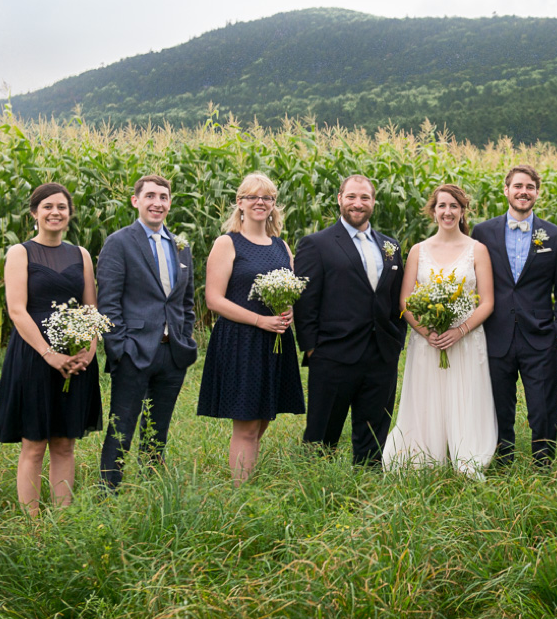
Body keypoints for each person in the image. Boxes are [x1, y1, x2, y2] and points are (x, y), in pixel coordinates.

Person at [0, 183, 102, 515]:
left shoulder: (80, 254)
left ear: (69, 214)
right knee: (34, 443)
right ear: (34, 213)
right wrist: (49, 354)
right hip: (33, 356)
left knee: (65, 442)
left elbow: (90, 309)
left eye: (62, 207)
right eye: (48, 206)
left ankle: (63, 518)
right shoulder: (20, 253)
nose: (55, 212)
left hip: (76, 357)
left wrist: (89, 350)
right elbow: (17, 310)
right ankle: (32, 522)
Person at [197, 173, 305, 486]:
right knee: (245, 425)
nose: (261, 202)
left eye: (267, 197)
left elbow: (291, 290)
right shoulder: (227, 243)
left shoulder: (281, 246)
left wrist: (288, 312)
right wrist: (260, 320)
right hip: (242, 340)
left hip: (277, 340)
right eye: (253, 197)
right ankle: (239, 494)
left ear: (274, 205)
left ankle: (247, 482)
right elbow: (214, 299)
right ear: (240, 203)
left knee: (263, 419)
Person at [384, 184, 498, 478]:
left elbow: (487, 302)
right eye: (442, 206)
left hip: (466, 338)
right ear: (433, 211)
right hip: (427, 340)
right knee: (427, 397)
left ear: (462, 211)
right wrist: (426, 332)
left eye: (454, 206)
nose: (448, 212)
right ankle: (424, 455)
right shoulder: (418, 251)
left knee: (465, 395)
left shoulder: (477, 250)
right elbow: (405, 300)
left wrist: (460, 331)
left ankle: (467, 455)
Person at [294, 175, 406, 466]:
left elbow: (396, 300)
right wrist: (311, 349)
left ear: (373, 202)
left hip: (381, 354)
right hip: (333, 354)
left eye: (365, 198)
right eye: (352, 197)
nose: (358, 203)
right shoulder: (316, 244)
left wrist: (397, 341)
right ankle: (315, 489)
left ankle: (367, 487)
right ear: (340, 199)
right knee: (322, 434)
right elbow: (305, 301)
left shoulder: (390, 245)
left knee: (373, 432)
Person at [97, 174, 198, 491]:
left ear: (170, 202)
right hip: (134, 352)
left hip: (173, 352)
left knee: (158, 428)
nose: (158, 203)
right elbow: (109, 303)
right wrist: (121, 348)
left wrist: (184, 337)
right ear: (136, 201)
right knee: (121, 426)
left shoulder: (181, 246)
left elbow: (187, 301)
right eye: (151, 196)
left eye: (164, 197)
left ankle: (151, 489)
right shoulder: (120, 242)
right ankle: (109, 491)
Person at [470, 164, 557, 467]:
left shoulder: (554, 235)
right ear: (506, 190)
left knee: (542, 405)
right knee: (498, 403)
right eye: (518, 186)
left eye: (529, 187)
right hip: (495, 332)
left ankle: (543, 461)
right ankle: (502, 459)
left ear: (537, 193)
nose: (523, 192)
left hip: (539, 334)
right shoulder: (483, 232)